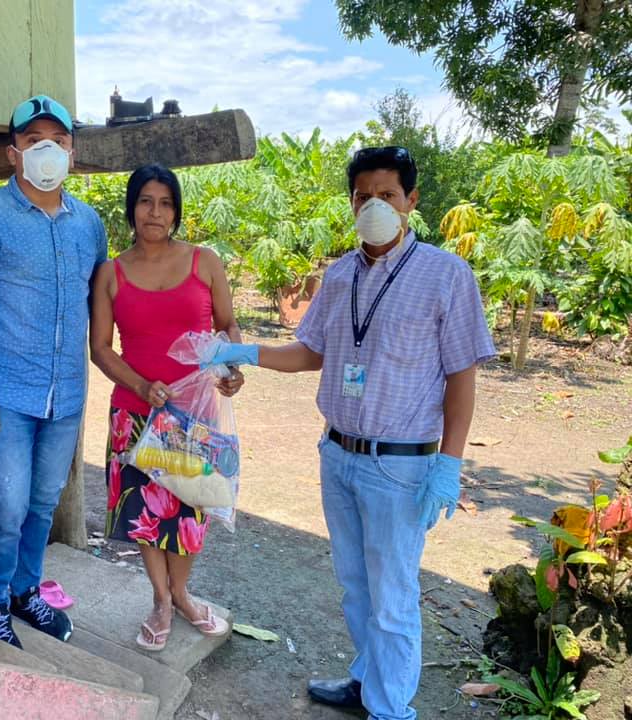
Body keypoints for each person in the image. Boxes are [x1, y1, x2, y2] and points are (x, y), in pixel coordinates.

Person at [202, 146, 496, 719]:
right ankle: (367, 683)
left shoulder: (445, 275)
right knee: (356, 587)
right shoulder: (339, 276)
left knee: (393, 596)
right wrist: (245, 351)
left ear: (411, 200)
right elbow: (312, 351)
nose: (374, 206)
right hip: (338, 453)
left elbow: (462, 376)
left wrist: (449, 463)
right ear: (351, 202)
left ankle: (391, 709)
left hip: (399, 464)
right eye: (364, 196)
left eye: (387, 195)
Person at [0, 94, 107, 649]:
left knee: (41, 504)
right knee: (6, 508)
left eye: (58, 141)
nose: (47, 150)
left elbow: (103, 301)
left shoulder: (89, 224)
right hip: (5, 395)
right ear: (13, 153)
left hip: (66, 396)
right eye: (34, 141)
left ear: (72, 152)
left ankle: (24, 590)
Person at [90, 163, 243, 651]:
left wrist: (232, 365)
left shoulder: (205, 262)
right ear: (131, 208)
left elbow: (228, 326)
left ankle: (182, 594)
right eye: (145, 201)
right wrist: (141, 384)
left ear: (176, 212)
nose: (155, 212)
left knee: (193, 508)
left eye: (165, 203)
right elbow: (101, 348)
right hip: (134, 414)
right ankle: (161, 599)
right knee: (146, 513)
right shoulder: (110, 273)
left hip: (195, 416)